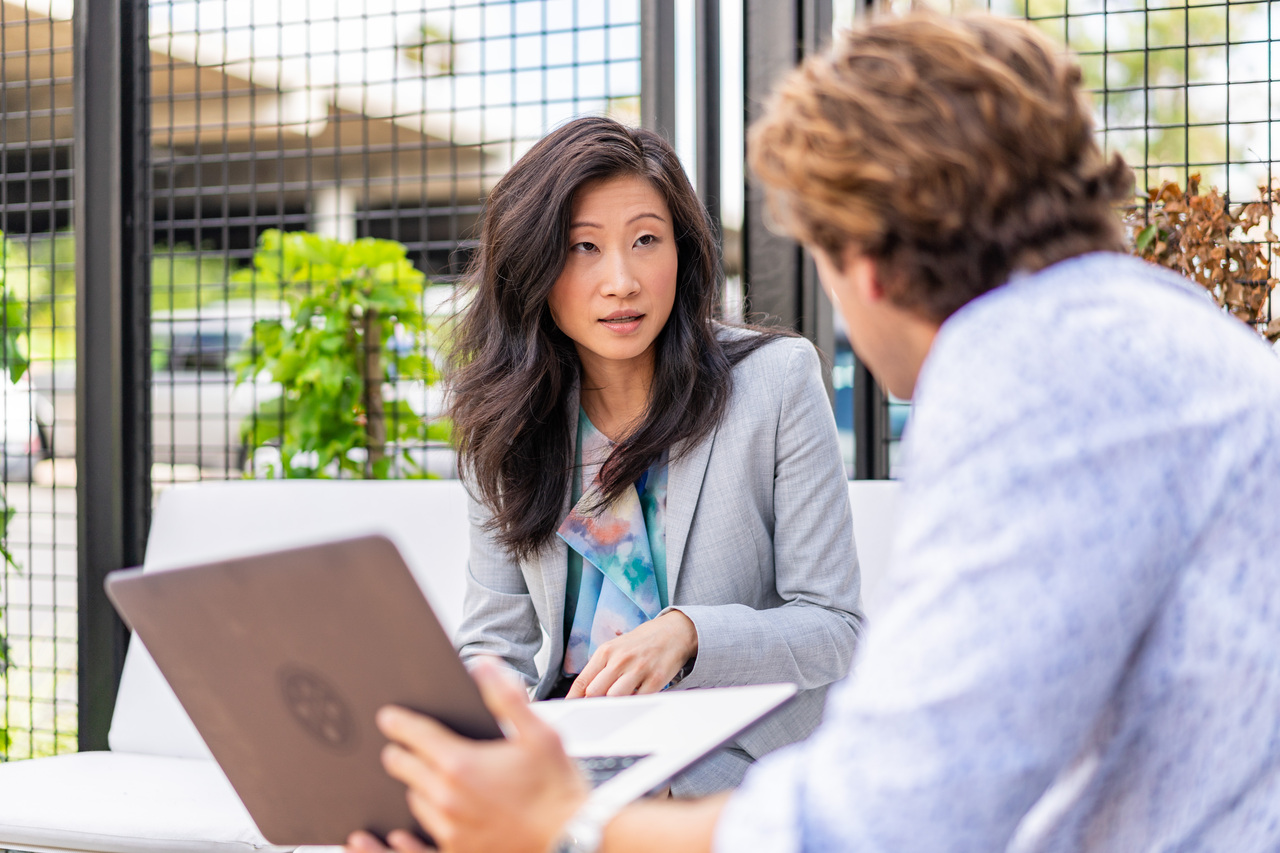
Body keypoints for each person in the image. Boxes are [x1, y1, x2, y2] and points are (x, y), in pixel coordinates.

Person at [347, 13, 1280, 853]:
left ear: (864, 265)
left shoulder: (1025, 381)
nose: (619, 278)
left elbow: (891, 809)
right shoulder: (1167, 333)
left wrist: (566, 825)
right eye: (584, 249)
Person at [443, 115, 864, 797]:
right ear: (535, 267)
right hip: (573, 761)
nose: (621, 280)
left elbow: (834, 626)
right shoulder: (506, 420)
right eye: (583, 248)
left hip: (728, 759)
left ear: (682, 252)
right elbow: (495, 643)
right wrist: (482, 727)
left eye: (645, 240)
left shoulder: (777, 382)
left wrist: (687, 634)